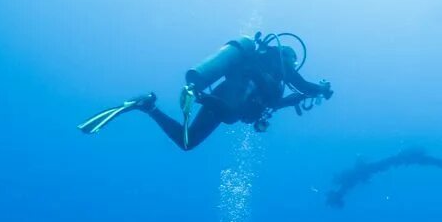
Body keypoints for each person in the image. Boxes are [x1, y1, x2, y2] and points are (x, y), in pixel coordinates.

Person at [77, 32, 333, 150]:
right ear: (287, 57)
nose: (293, 65)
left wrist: (292, 101)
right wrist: (322, 88)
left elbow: (272, 103)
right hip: (229, 100)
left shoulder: (272, 78)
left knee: (188, 142)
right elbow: (304, 85)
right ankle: (197, 96)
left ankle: (148, 106)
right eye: (293, 61)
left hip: (223, 97)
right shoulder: (280, 64)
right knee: (230, 117)